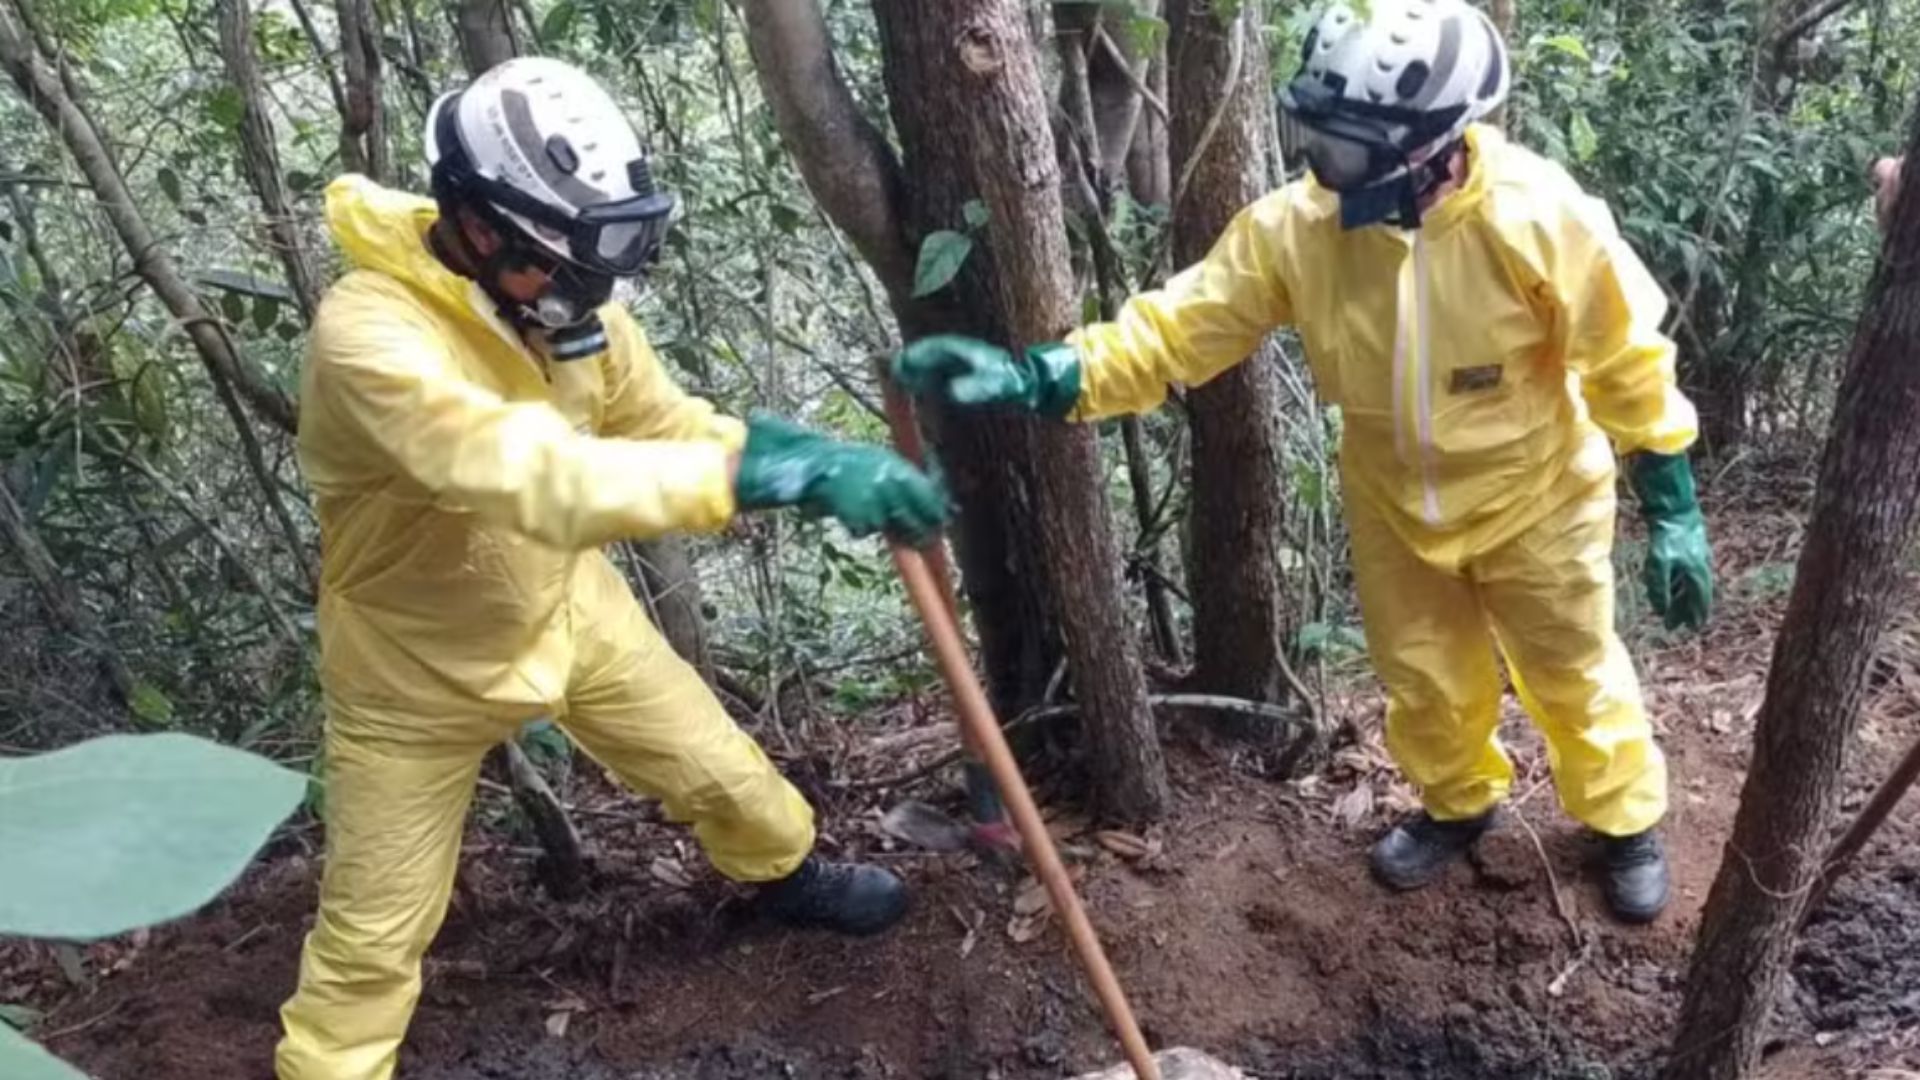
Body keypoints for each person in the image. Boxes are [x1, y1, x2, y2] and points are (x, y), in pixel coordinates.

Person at [895, 0, 1711, 925]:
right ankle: (1458, 803)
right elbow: (1184, 325)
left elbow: (1624, 357)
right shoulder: (1298, 230)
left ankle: (1621, 819)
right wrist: (1044, 374)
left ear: (1432, 144)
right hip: (1395, 498)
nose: (1325, 166)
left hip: (1540, 495)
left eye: (1349, 147)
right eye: (1319, 137)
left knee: (1571, 668)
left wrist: (1672, 503)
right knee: (1423, 673)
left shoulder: (1539, 218)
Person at [278, 57, 947, 1080]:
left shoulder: (571, 310)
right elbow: (531, 475)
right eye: (570, 264)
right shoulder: (370, 338)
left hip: (568, 609)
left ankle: (785, 877)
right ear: (480, 225)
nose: (594, 291)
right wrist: (760, 474)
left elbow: (664, 424)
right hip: (410, 675)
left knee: (729, 776)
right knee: (370, 947)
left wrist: (795, 456)